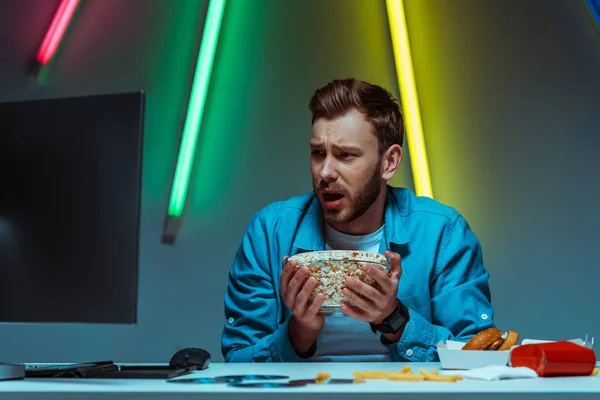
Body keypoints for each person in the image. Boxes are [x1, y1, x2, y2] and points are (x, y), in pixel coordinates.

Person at [221, 78, 495, 362]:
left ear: (389, 163)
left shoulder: (442, 232)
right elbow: (236, 361)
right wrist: (298, 332)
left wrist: (393, 318)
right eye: (318, 153)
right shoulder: (269, 232)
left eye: (345, 155)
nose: (325, 171)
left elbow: (477, 356)